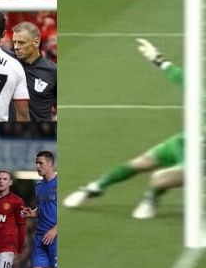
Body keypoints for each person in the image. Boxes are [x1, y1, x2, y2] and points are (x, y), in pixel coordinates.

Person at [63, 39, 184, 219]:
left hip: (201, 157)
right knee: (141, 163)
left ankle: (151, 198)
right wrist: (158, 59)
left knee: (159, 178)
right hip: (185, 143)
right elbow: (181, 77)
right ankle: (94, 188)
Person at [21, 151, 57, 268]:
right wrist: (32, 213)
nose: (37, 166)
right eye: (36, 163)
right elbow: (40, 209)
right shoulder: (38, 186)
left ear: (50, 164)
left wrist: (55, 230)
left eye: (40, 163)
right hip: (41, 236)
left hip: (56, 236)